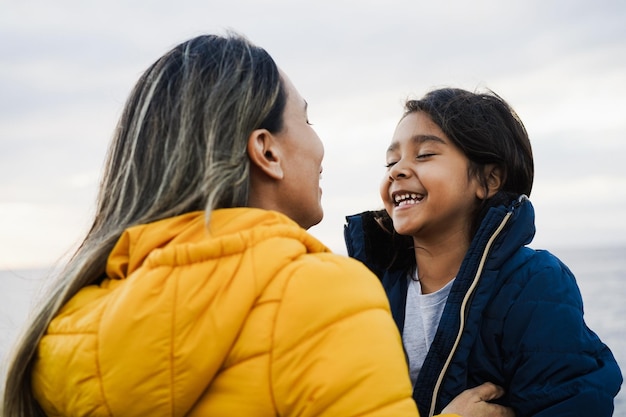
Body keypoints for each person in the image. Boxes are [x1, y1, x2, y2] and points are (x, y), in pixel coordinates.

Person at [1, 34, 513, 417]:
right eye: (307, 121)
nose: (319, 145)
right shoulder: (324, 295)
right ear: (266, 151)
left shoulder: (74, 320)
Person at [344, 87, 623, 417]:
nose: (397, 170)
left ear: (488, 180)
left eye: (424, 155)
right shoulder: (367, 289)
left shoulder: (534, 284)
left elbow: (573, 402)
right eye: (392, 160)